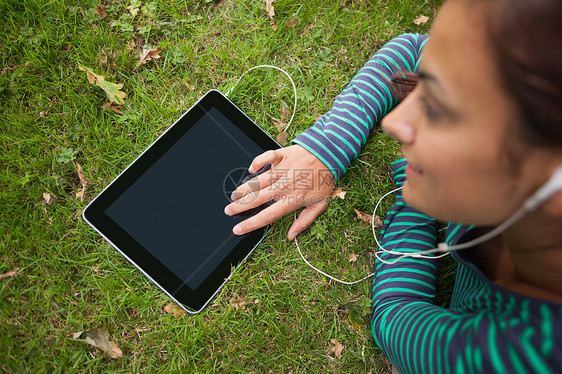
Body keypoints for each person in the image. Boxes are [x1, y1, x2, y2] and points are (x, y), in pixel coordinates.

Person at [224, 0, 562, 372]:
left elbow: (397, 317)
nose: (394, 121)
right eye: (419, 88)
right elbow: (414, 50)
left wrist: (417, 192)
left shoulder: (515, 355)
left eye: (439, 110)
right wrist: (327, 148)